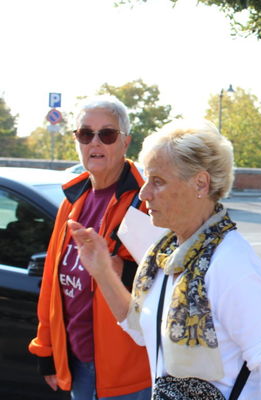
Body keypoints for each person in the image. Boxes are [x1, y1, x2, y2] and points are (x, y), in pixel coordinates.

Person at [67, 121, 261, 399]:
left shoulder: (232, 262)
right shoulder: (162, 254)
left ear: (200, 183)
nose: (144, 193)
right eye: (147, 179)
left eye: (158, 182)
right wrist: (102, 271)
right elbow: (140, 330)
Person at [28, 95, 152, 400]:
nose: (95, 143)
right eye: (85, 134)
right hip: (78, 362)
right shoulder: (73, 200)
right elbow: (52, 283)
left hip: (129, 373)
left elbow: (161, 281)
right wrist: (47, 349)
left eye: (107, 134)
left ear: (125, 142)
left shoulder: (145, 201)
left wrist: (116, 269)